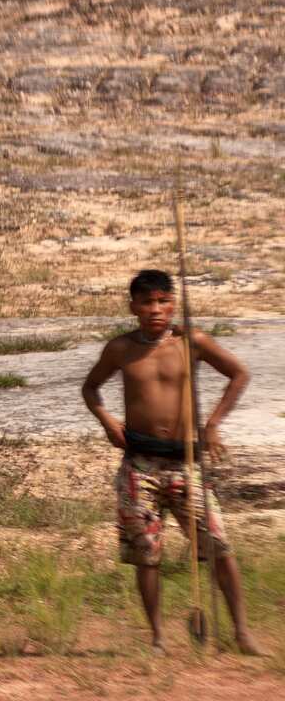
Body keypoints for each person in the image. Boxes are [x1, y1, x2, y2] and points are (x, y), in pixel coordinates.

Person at [81, 269, 264, 656]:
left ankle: (243, 634)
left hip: (186, 463)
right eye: (147, 302)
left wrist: (213, 424)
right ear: (133, 306)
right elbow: (90, 388)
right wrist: (108, 422)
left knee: (219, 546)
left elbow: (239, 373)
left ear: (174, 304)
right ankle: (158, 639)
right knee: (147, 554)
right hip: (139, 465)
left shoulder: (191, 341)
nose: (156, 310)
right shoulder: (121, 349)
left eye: (163, 301)